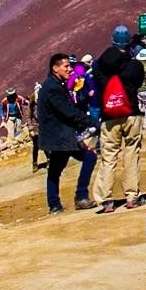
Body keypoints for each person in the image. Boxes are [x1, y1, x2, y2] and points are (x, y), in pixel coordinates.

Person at [87, 24, 146, 212]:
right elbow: (138, 83)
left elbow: (97, 85)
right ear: (128, 42)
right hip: (131, 113)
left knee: (108, 157)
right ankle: (131, 196)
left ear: (112, 41)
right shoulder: (135, 65)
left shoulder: (99, 66)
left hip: (109, 115)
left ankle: (105, 200)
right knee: (131, 154)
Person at [36, 52, 97, 212]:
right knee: (89, 157)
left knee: (55, 169)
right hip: (61, 136)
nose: (70, 69)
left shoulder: (54, 85)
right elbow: (67, 111)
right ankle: (80, 196)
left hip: (59, 135)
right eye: (66, 66)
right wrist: (90, 122)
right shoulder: (53, 88)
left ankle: (55, 204)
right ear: (55, 68)